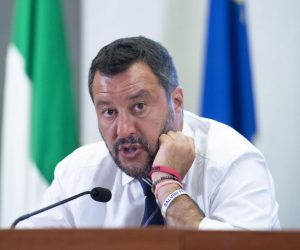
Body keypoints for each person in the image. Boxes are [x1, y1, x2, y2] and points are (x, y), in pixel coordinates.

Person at [20, 36, 280, 229]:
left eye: (139, 106)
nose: (124, 130)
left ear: (176, 103)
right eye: (109, 112)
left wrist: (168, 187)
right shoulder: (78, 175)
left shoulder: (232, 162)